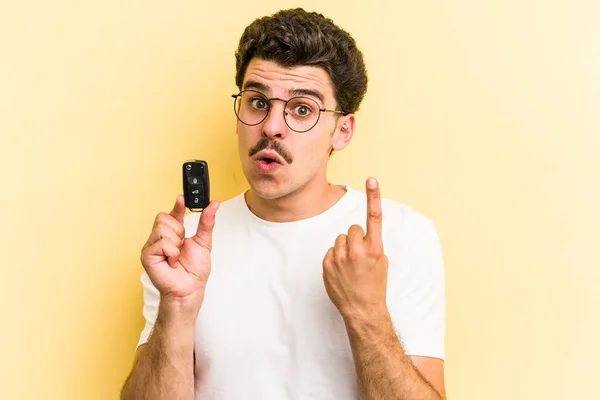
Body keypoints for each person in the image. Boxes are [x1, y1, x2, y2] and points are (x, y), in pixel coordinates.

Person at [121, 8, 446, 400]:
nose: (271, 126)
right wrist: (177, 307)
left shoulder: (402, 236)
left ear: (342, 130)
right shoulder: (187, 246)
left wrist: (367, 314)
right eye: (257, 102)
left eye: (302, 109)